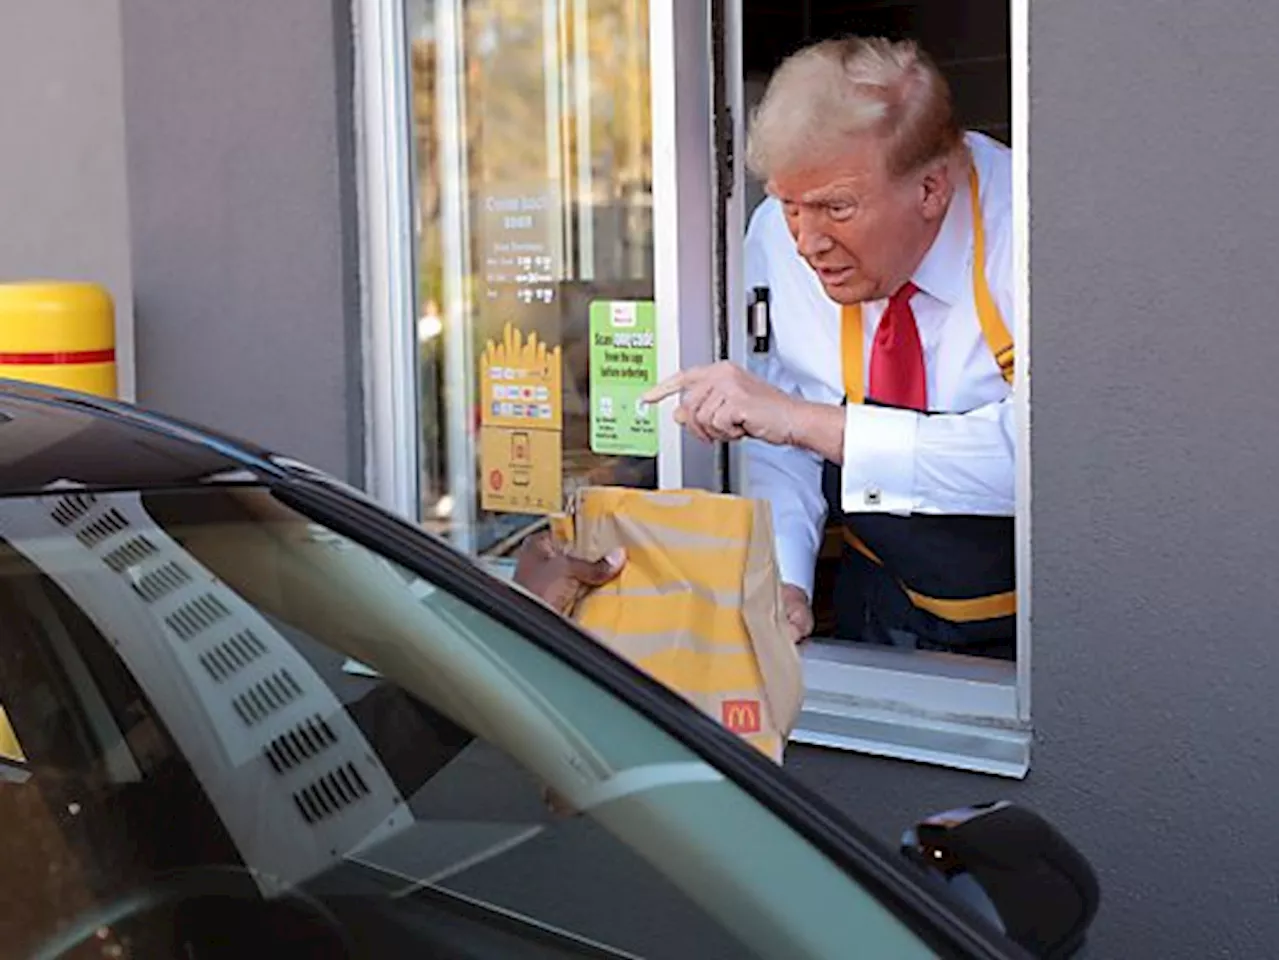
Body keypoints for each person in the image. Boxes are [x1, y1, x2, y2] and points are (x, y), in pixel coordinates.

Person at [644, 37, 1018, 660]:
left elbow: (1048, 463)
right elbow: (777, 432)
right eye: (790, 205)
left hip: (1044, 626)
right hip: (882, 604)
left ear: (931, 190)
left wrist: (805, 422)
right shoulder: (774, 235)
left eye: (835, 208)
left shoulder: (1028, 231)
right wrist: (785, 577)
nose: (806, 241)